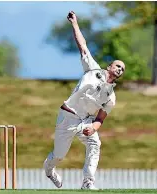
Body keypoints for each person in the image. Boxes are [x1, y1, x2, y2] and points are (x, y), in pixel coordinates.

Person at [44, 11, 125, 190]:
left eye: (122, 69)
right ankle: (49, 169)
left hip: (85, 121)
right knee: (59, 156)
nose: (120, 69)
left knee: (95, 143)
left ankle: (88, 182)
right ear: (109, 66)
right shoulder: (93, 70)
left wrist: (93, 128)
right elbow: (83, 45)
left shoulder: (111, 97)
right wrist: (74, 24)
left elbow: (101, 118)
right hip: (68, 116)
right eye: (118, 65)